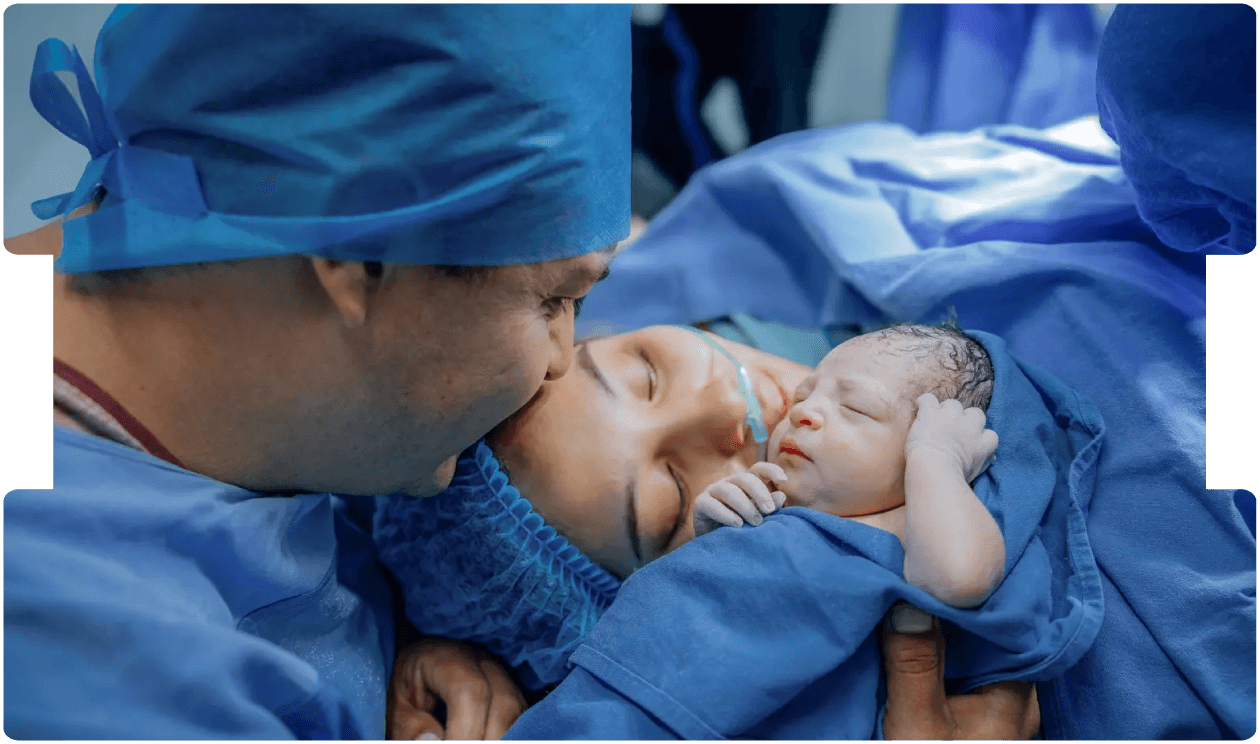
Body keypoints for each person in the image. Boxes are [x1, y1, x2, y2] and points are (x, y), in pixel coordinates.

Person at [4, 4, 1035, 741]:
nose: (556, 361)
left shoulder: (122, 275)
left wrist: (400, 639)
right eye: (555, 303)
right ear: (363, 266)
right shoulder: (91, 655)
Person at [377, 318, 1096, 739]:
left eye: (647, 375)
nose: (724, 410)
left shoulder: (762, 231)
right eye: (671, 499)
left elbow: (1212, 257)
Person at [691, 324, 1005, 612]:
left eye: (855, 408)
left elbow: (959, 580)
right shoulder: (770, 510)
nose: (802, 410)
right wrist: (716, 539)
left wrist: (938, 458)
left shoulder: (914, 526)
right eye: (803, 395)